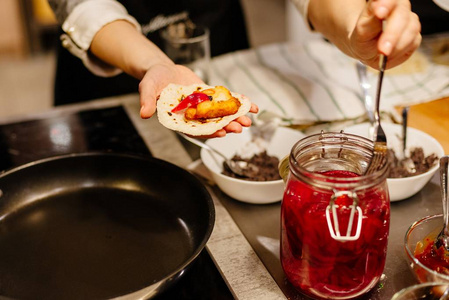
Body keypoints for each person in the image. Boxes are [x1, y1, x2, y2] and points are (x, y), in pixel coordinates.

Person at [47, 0, 421, 137]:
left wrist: (355, 29)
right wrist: (156, 64)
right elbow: (83, 6)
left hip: (217, 46)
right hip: (106, 79)